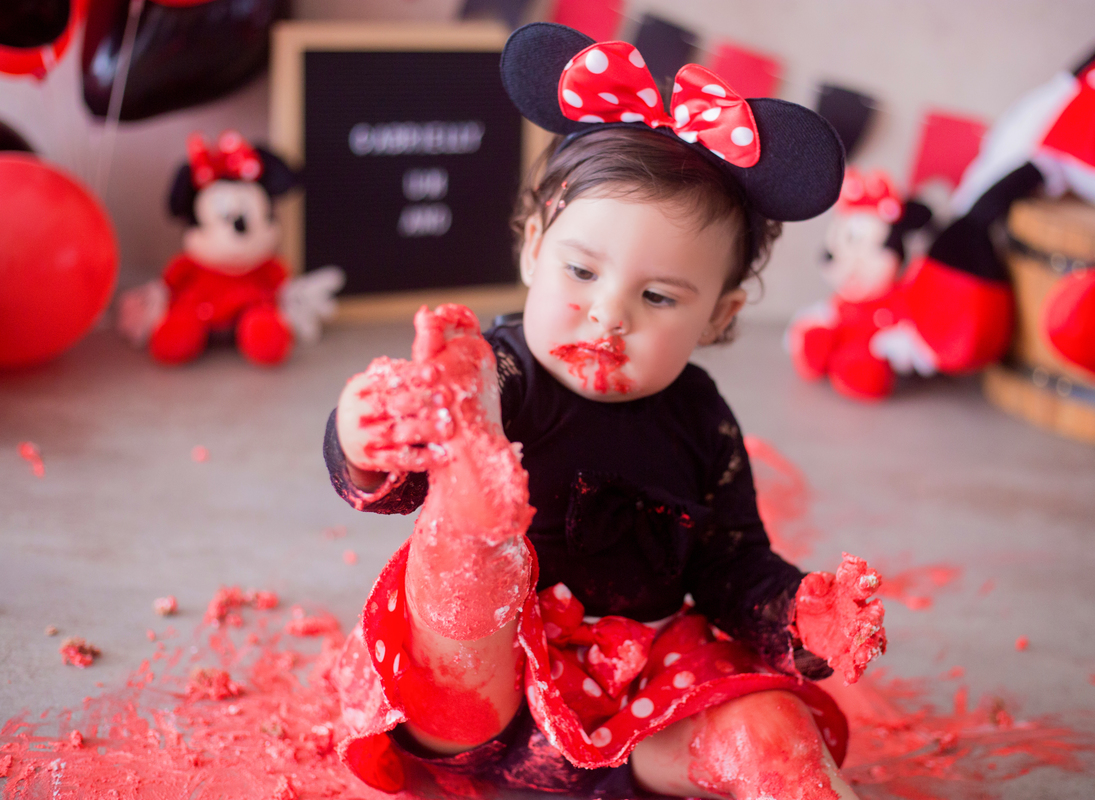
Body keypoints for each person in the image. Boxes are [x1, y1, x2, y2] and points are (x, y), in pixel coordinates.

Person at [324, 22, 884, 800]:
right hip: (482, 692)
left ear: (718, 319)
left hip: (636, 709)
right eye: (580, 271)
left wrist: (795, 616)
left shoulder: (701, 420)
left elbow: (730, 559)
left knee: (771, 728)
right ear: (530, 248)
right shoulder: (502, 373)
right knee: (460, 559)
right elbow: (387, 484)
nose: (607, 316)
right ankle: (474, 512)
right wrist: (369, 436)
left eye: (657, 297)